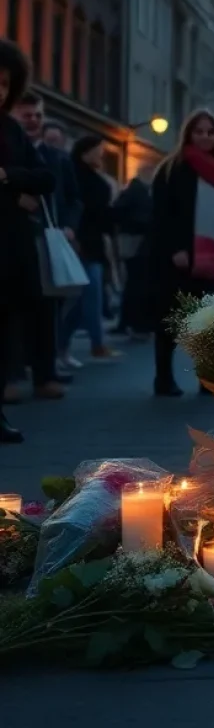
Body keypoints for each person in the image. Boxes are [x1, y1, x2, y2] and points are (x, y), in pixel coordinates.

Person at [150, 109, 214, 397]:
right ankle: (163, 377)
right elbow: (162, 216)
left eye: (210, 132)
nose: (205, 137)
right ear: (188, 134)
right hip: (179, 259)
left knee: (212, 321)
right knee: (171, 319)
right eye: (199, 131)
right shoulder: (172, 171)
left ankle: (209, 377)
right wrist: (175, 249)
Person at [0, 40, 56, 442]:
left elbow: (45, 178)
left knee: (5, 331)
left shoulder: (10, 129)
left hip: (9, 248)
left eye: (4, 84)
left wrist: (8, 178)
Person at [10, 97, 80, 392]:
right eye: (27, 115)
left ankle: (46, 374)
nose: (33, 120)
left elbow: (73, 198)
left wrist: (69, 227)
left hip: (49, 238)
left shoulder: (58, 158)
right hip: (13, 237)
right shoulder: (8, 150)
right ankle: (11, 377)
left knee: (47, 307)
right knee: (12, 308)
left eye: (38, 115)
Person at [58, 136, 119, 363]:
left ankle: (71, 345)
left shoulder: (93, 177)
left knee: (86, 297)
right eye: (98, 150)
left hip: (92, 242)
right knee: (86, 295)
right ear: (86, 152)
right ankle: (92, 344)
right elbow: (89, 210)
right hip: (81, 242)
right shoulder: (79, 176)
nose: (101, 154)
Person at [112, 164, 156, 337]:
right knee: (138, 281)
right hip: (138, 240)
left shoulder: (135, 190)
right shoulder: (139, 191)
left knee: (133, 281)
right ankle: (137, 322)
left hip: (135, 239)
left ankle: (129, 321)